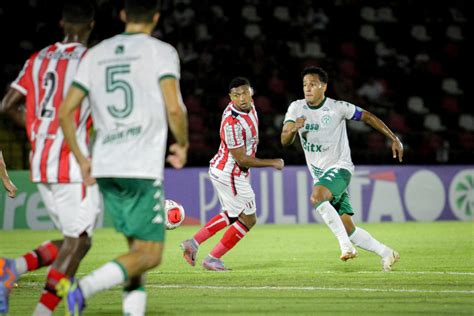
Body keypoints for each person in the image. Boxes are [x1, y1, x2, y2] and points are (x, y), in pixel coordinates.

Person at [57, 0, 188, 314]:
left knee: (136, 252)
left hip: (104, 166)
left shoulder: (96, 53)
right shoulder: (161, 52)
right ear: (155, 18)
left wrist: (83, 158)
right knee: (151, 255)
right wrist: (182, 143)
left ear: (123, 16)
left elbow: (65, 112)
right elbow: (174, 108)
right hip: (139, 167)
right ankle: (81, 288)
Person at [0, 2, 100, 314]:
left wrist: (36, 127)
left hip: (40, 161)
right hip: (71, 161)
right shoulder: (90, 60)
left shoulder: (38, 58)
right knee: (80, 241)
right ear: (91, 26)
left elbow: (6, 105)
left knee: (75, 239)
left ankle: (11, 268)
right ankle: (43, 309)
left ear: (62, 23)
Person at [281, 66, 402, 271]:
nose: (307, 88)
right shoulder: (296, 108)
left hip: (340, 168)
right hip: (322, 176)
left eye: (312, 84)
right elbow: (285, 140)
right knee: (349, 228)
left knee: (317, 197)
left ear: (324, 87)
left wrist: (393, 138)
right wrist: (293, 129)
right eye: (304, 85)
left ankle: (345, 247)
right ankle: (386, 252)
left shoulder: (338, 108)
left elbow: (369, 117)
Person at [181, 77, 284, 271]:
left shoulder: (251, 106)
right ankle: (212, 259)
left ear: (251, 92)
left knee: (231, 214)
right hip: (231, 173)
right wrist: (273, 162)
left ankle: (193, 243)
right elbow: (241, 159)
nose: (242, 98)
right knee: (249, 219)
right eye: (236, 95)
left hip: (229, 172)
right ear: (230, 97)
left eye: (245, 93)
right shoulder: (232, 123)